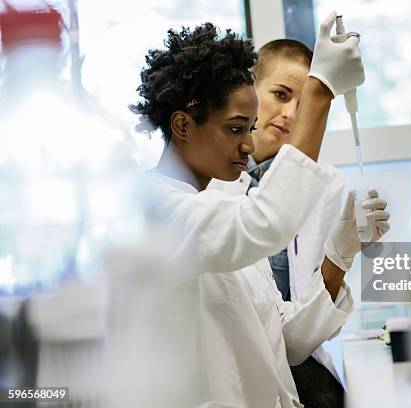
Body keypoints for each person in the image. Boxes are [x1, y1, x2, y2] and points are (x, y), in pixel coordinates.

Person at [132, 13, 388, 407]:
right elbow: (263, 224)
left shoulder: (223, 202)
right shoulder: (153, 209)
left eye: (250, 129)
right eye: (237, 129)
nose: (249, 147)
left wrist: (340, 252)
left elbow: (287, 343)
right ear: (183, 124)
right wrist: (320, 90)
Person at [208, 39, 388, 407]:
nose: (291, 114)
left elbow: (298, 338)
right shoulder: (209, 187)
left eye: (305, 103)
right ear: (248, 92)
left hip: (298, 360)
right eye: (280, 94)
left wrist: (342, 254)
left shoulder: (323, 185)